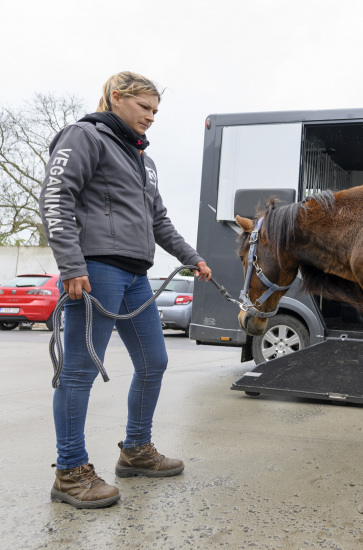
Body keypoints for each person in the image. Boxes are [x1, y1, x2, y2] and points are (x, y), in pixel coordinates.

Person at [39, 71, 212, 509]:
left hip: (136, 276)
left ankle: (136, 451)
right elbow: (56, 196)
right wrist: (72, 265)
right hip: (95, 270)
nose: (152, 117)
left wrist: (191, 256)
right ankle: (70, 472)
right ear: (117, 98)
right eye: (144, 108)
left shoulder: (143, 159)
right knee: (79, 371)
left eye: (156, 110)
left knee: (155, 361)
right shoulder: (85, 136)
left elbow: (159, 221)